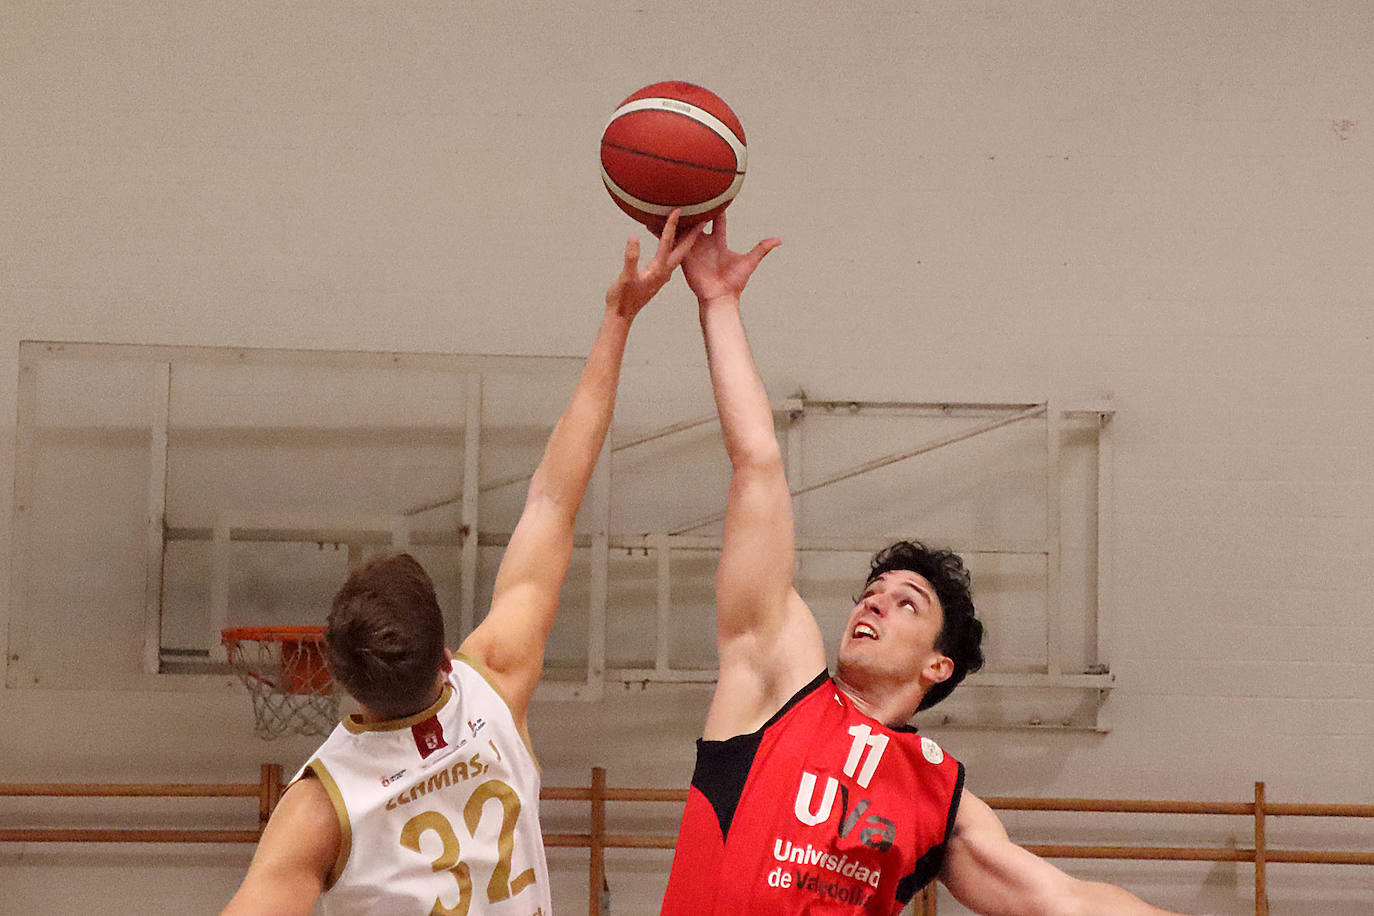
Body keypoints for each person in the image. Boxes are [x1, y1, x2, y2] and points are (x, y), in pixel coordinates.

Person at [658, 215, 1194, 916]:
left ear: (938, 666)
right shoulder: (777, 682)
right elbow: (758, 466)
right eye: (873, 593)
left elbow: (1062, 901)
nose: (873, 604)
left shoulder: (937, 795)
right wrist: (718, 304)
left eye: (906, 602)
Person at [221, 211, 704, 916]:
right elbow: (553, 498)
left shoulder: (319, 810)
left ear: (333, 672)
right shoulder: (495, 683)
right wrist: (619, 319)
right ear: (446, 657)